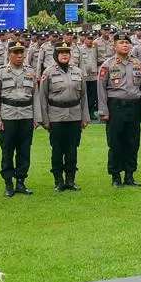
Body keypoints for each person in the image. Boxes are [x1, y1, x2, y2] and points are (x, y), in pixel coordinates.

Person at [98, 31, 141, 187]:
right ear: (114, 46)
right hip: (115, 107)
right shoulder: (108, 65)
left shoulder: (137, 63)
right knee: (115, 142)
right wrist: (103, 110)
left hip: (134, 107)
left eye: (127, 43)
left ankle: (130, 175)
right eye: (121, 43)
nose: (125, 45)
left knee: (133, 142)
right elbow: (101, 90)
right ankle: (115, 176)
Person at [38, 40, 88, 191]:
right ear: (56, 55)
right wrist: (45, 120)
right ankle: (58, 181)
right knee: (57, 150)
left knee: (72, 149)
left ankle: (70, 180)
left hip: (74, 116)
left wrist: (84, 117)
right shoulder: (48, 72)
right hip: (56, 116)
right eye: (61, 53)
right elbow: (42, 97)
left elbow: (84, 96)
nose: (64, 55)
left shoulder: (77, 72)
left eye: (67, 53)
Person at [0, 40, 40, 197]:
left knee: (24, 151)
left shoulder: (30, 71)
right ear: (9, 54)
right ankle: (8, 183)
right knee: (7, 151)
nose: (19, 55)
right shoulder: (1, 72)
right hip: (8, 116)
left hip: (26, 115)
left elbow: (35, 96)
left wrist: (36, 117)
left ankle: (20, 182)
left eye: (21, 52)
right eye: (16, 52)